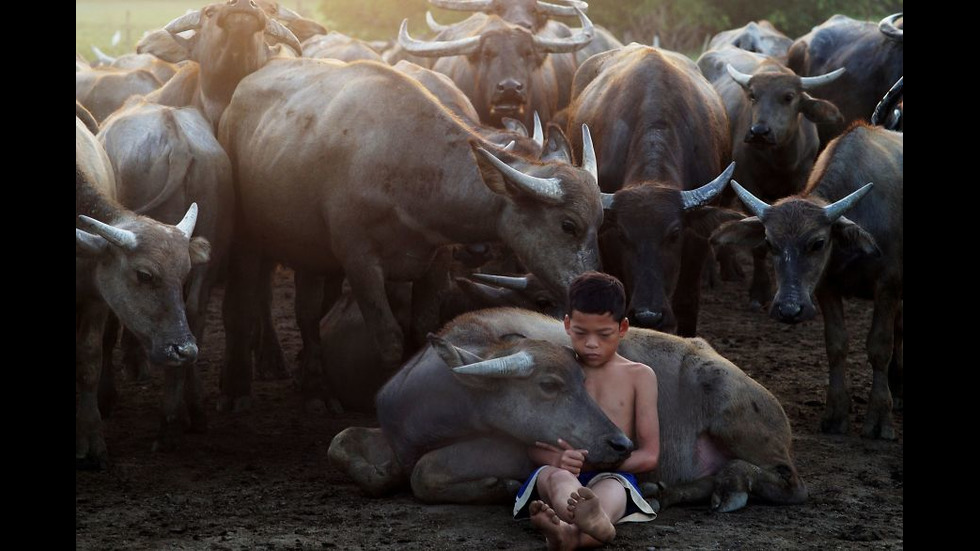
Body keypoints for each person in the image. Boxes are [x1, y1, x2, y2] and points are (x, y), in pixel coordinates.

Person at [513, 271, 660, 549]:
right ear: (567, 324)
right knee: (558, 479)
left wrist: (600, 464)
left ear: (623, 328)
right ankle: (583, 523)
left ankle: (571, 533)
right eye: (581, 333)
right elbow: (529, 444)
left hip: (614, 474)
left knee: (612, 490)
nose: (591, 343)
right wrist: (558, 459)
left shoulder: (640, 376)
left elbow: (649, 455)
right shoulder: (555, 371)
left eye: (604, 334)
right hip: (561, 471)